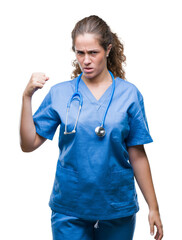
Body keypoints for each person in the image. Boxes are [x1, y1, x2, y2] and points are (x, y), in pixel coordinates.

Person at [20, 15, 163, 240]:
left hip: (116, 207)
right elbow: (28, 144)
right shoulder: (61, 93)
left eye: (93, 53)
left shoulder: (129, 94)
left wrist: (153, 207)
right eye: (80, 53)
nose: (85, 60)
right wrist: (26, 97)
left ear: (108, 49)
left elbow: (137, 155)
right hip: (70, 206)